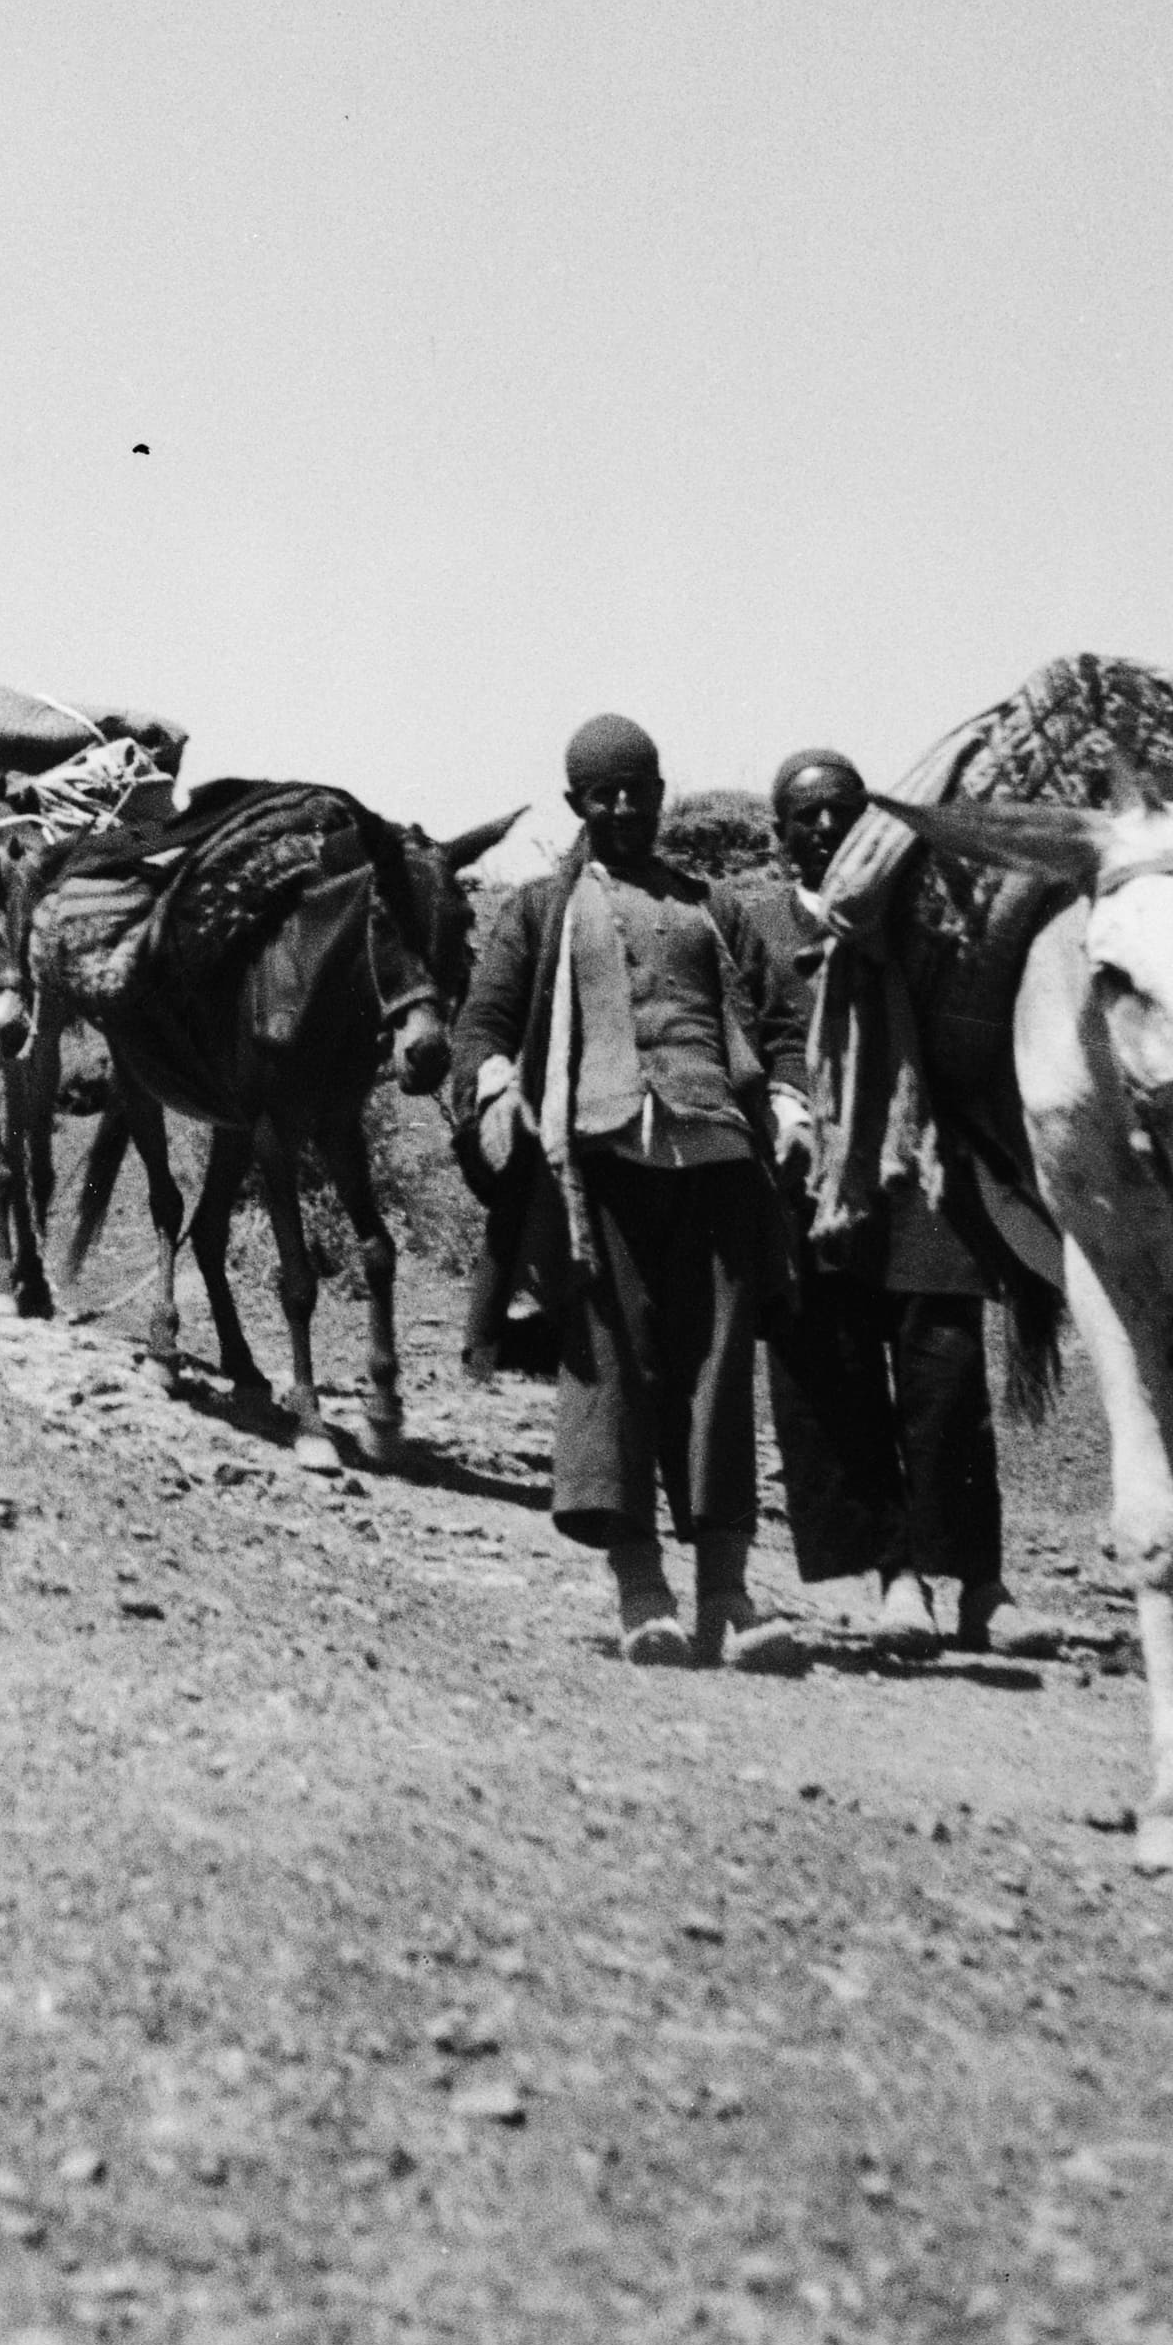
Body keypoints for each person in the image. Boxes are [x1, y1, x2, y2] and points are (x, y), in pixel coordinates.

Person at [456, 715, 800, 1669]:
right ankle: (641, 1592)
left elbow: (780, 1023)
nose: (619, 808)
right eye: (600, 794)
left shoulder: (712, 906)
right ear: (576, 804)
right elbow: (482, 1020)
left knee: (718, 1372)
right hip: (593, 1167)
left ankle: (725, 1597)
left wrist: (790, 1096)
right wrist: (488, 1082)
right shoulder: (539, 909)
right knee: (612, 1373)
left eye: (635, 789)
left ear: (659, 793)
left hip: (717, 1162)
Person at [751, 749, 1058, 1656]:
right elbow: (738, 1025)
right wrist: (776, 1100)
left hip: (919, 1170)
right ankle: (894, 1579)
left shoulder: (922, 923)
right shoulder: (756, 923)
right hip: (812, 1186)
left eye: (840, 810)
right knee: (837, 1379)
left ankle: (981, 1586)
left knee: (944, 1374)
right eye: (802, 815)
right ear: (779, 837)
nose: (822, 827)